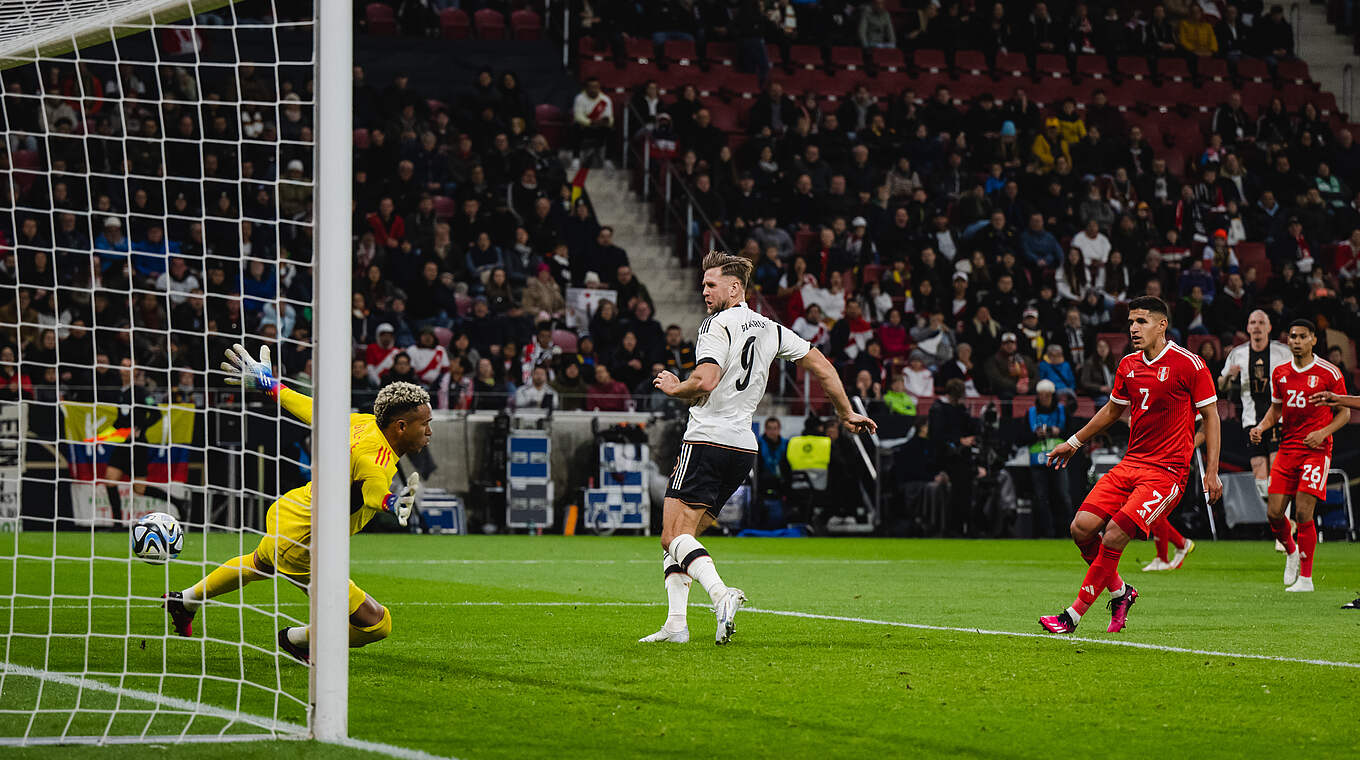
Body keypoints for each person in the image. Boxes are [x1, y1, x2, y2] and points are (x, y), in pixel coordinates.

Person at [642, 252, 875, 645]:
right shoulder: (772, 328)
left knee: (670, 536)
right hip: (742, 449)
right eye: (703, 285)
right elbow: (823, 366)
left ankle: (721, 595)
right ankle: (676, 624)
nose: (704, 291)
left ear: (735, 288)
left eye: (711, 284)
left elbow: (707, 379)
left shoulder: (717, 324)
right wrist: (846, 411)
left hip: (705, 440)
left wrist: (674, 387)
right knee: (686, 539)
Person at [166, 346, 431, 663]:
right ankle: (296, 639)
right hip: (305, 543)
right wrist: (392, 503)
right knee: (376, 623)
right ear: (401, 426)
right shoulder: (377, 460)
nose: (429, 430)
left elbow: (311, 409)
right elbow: (374, 493)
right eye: (424, 423)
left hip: (291, 512)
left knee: (258, 564)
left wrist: (271, 385)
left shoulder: (362, 423)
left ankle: (186, 600)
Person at [1041, 296, 1222, 634]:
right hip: (1131, 463)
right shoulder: (1127, 364)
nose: (1134, 329)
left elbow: (1211, 417)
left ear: (1161, 324)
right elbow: (1112, 411)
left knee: (1112, 536)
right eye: (1131, 322)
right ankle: (1121, 592)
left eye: (1141, 321)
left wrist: (1211, 472)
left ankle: (1072, 616)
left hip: (1167, 472)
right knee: (1081, 528)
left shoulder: (1190, 364)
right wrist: (1074, 442)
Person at [1250, 320, 1350, 592]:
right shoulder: (1280, 372)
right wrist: (1261, 426)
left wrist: (1323, 432)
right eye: (1292, 336)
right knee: (1273, 514)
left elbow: (1345, 412)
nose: (1295, 341)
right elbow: (1276, 409)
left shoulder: (1329, 373)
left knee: (1304, 512)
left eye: (1301, 336)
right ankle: (1291, 549)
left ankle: (1305, 579)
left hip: (1316, 450)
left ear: (1313, 340)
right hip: (1287, 449)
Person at [1218, 309, 1293, 548]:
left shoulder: (1282, 352)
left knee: (1277, 472)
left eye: (1261, 322)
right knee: (1261, 478)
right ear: (1247, 328)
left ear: (1269, 328)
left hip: (1279, 419)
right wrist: (1229, 376)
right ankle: (1282, 521)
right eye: (1253, 322)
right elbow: (1220, 384)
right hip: (1251, 421)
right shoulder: (1238, 354)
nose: (1257, 326)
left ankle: (1285, 532)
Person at [1027, 380, 1071, 539]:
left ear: (1052, 395)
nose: (1044, 398)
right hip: (1037, 461)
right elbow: (1022, 436)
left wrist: (1058, 431)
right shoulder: (1031, 412)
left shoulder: (1061, 411)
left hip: (1058, 460)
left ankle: (1066, 532)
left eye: (1047, 395)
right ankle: (1045, 534)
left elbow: (1070, 431)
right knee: (1040, 498)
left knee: (1062, 496)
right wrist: (1035, 435)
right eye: (1041, 395)